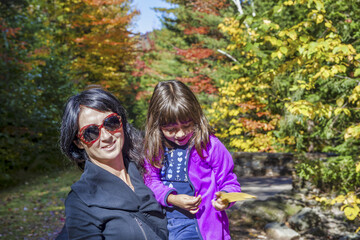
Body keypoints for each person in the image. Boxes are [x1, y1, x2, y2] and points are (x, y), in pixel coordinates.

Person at [56, 87, 168, 240]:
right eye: (91, 132)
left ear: (121, 122)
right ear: (79, 142)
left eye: (111, 122)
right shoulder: (81, 201)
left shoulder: (150, 170)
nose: (106, 136)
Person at [143, 80, 241, 240]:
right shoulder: (154, 148)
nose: (180, 134)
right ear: (157, 126)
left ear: (196, 118)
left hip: (204, 228)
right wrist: (171, 198)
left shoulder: (210, 146)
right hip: (165, 226)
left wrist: (226, 198)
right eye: (171, 129)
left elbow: (230, 183)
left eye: (188, 126)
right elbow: (149, 180)